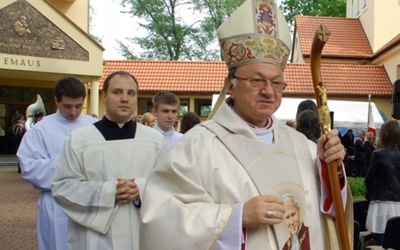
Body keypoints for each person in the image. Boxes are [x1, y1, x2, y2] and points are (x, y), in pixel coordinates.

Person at [140, 1, 351, 249]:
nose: (268, 92)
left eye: (277, 83)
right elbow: (160, 219)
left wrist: (329, 169)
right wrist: (236, 218)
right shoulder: (196, 147)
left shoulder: (302, 146)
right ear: (230, 84)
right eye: (257, 80)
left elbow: (328, 215)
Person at [52, 71, 165, 249]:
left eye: (131, 93)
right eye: (117, 92)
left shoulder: (155, 140)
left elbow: (168, 183)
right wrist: (109, 191)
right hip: (95, 237)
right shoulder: (79, 140)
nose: (125, 99)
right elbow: (63, 187)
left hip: (140, 232)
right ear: (104, 96)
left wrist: (139, 188)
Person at [17, 77, 98, 250]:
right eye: (67, 106)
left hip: (90, 201)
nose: (73, 112)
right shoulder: (40, 130)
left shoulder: (95, 127)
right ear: (56, 101)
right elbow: (30, 168)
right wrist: (72, 163)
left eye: (78, 106)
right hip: (56, 204)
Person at [365, 120, 400, 246]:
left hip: (381, 200)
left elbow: (369, 178)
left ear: (384, 134)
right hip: (398, 201)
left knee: (382, 235)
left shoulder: (379, 154)